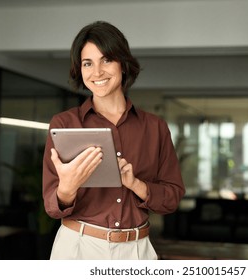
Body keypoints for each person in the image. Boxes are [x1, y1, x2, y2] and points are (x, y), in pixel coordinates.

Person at [42, 21, 185, 260]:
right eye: (88, 63)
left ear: (123, 64)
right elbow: (52, 206)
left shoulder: (155, 127)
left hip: (138, 250)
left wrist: (135, 184)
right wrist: (67, 187)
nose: (96, 72)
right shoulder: (64, 124)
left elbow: (171, 199)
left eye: (106, 60)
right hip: (78, 248)